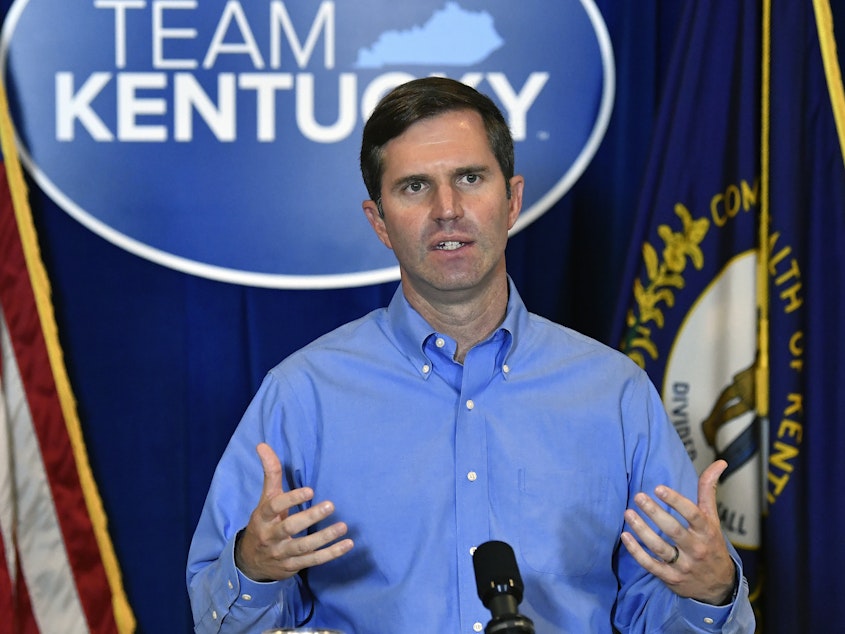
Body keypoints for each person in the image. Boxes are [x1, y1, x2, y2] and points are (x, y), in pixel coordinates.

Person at [187, 77, 755, 633]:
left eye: (470, 178)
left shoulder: (615, 395)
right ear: (379, 221)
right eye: (414, 187)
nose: (447, 209)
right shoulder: (303, 395)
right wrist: (254, 570)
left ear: (511, 200)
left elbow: (661, 615)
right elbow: (216, 621)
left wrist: (711, 592)